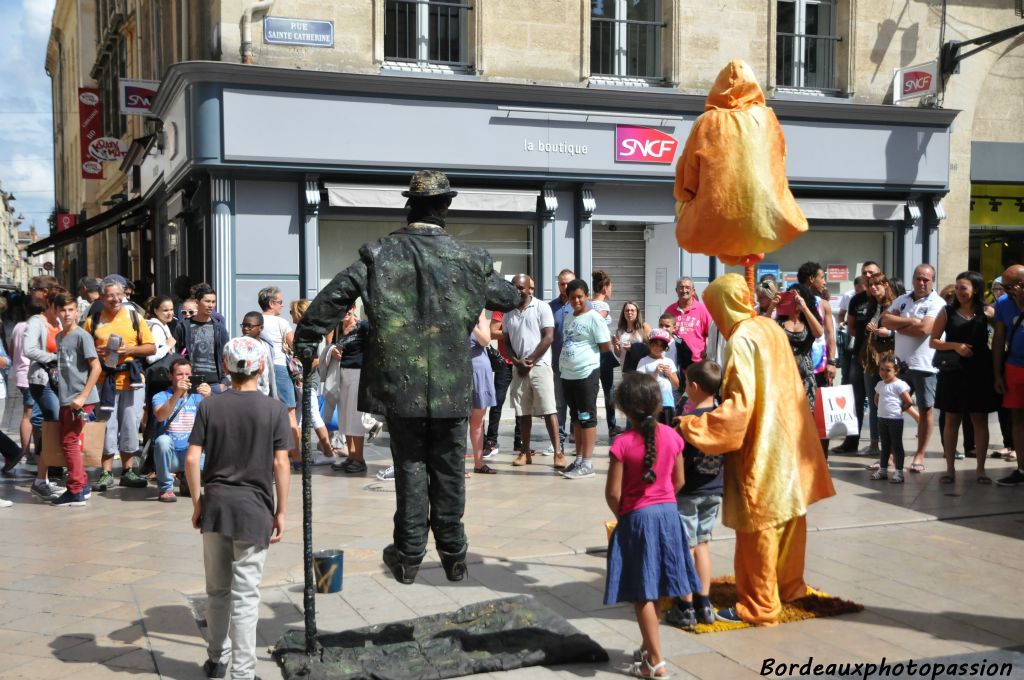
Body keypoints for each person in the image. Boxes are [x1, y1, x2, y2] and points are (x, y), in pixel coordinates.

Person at [294, 169, 518, 584]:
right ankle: (453, 554)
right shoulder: (467, 258)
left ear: (409, 205)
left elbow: (331, 299)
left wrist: (306, 342)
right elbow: (508, 296)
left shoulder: (380, 254)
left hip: (401, 387)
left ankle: (410, 552)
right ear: (445, 207)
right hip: (451, 385)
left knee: (411, 465)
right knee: (449, 467)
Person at [676, 273, 835, 625]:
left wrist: (694, 425)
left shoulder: (742, 339)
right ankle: (789, 586)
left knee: (758, 523)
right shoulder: (770, 327)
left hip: (763, 446)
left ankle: (760, 605)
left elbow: (740, 405)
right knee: (790, 515)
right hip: (792, 438)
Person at [185, 336, 291, 680]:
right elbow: (281, 465)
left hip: (216, 504)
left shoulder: (210, 405)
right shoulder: (274, 409)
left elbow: (191, 458)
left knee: (216, 590)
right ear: (261, 367)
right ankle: (243, 673)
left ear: (226, 368)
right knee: (246, 596)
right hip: (254, 508)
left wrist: (198, 500)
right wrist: (281, 511)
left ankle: (217, 659)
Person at [604, 372, 699, 678]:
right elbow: (680, 480)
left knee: (641, 590)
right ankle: (648, 651)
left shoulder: (622, 443)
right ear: (659, 405)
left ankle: (656, 660)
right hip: (669, 516)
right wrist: (664, 500)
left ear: (623, 408)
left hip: (637, 518)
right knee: (655, 585)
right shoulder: (673, 436)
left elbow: (613, 493)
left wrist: (626, 516)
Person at [84, 276, 156, 491]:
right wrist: (95, 352)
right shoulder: (93, 320)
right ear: (102, 298)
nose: (115, 299)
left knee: (130, 425)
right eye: (110, 296)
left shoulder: (136, 318)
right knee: (106, 425)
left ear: (124, 295)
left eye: (118, 295)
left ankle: (128, 470)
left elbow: (151, 348)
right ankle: (105, 472)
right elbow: (83, 349)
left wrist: (129, 350)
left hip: (132, 380)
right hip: (104, 380)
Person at [666, 360, 723, 630]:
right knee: (702, 544)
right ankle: (705, 604)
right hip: (714, 490)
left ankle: (685, 606)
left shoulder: (686, 423)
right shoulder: (723, 416)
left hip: (688, 491)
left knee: (685, 547)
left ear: (694, 387)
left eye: (687, 383)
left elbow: (673, 457)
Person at [929, 272, 997, 483]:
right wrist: (955, 346)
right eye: (957, 287)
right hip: (954, 371)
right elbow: (933, 341)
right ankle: (950, 469)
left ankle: (981, 469)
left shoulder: (987, 312)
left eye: (963, 288)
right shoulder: (947, 311)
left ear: (975, 290)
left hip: (980, 371)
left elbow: (1001, 334)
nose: (958, 292)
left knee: (979, 419)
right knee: (951, 419)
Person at [880, 264, 944, 473]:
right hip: (900, 365)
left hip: (925, 365)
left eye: (926, 279)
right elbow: (886, 321)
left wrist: (901, 323)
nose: (921, 282)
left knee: (925, 410)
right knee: (891, 406)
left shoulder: (937, 303)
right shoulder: (903, 300)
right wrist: (911, 321)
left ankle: (919, 455)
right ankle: (890, 455)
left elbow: (925, 329)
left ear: (933, 281)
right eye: (918, 278)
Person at [502, 274, 565, 468]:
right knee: (522, 413)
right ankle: (524, 452)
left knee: (549, 410)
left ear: (531, 289)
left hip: (540, 366)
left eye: (522, 287)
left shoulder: (542, 307)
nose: (518, 291)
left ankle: (558, 453)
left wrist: (530, 360)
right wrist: (516, 362)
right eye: (515, 287)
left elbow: (548, 337)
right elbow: (506, 342)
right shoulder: (508, 312)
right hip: (519, 368)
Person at [51, 290, 102, 507]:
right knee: (68, 441)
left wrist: (82, 396)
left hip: (81, 398)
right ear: (56, 311)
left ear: (77, 311)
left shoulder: (82, 336)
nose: (67, 314)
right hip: (66, 397)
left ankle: (75, 490)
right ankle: (81, 483)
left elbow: (96, 367)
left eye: (71, 309)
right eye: (62, 310)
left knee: (69, 441)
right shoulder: (59, 337)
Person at [559, 279, 612, 479]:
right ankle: (579, 459)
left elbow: (605, 346)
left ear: (587, 296)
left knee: (586, 417)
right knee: (576, 418)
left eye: (580, 297)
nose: (576, 301)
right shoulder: (569, 317)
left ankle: (588, 463)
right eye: (572, 298)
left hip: (586, 373)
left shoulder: (594, 318)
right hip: (568, 374)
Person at [323, 304, 383, 474]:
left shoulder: (363, 326)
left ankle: (359, 459)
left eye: (348, 308)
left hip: (359, 374)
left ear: (354, 307)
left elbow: (374, 347)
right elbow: (332, 347)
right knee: (345, 416)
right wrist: (333, 350)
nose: (344, 312)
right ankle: (351, 456)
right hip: (341, 373)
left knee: (356, 417)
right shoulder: (337, 327)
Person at [832, 261, 882, 453]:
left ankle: (876, 444)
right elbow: (851, 327)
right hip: (858, 356)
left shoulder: (885, 299)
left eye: (872, 272)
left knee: (875, 400)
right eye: (865, 273)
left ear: (880, 275)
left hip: (878, 359)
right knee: (854, 400)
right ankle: (851, 441)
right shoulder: (856, 299)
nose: (868, 276)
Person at [23, 283, 67, 500]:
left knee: (56, 424)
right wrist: (54, 358)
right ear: (50, 303)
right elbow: (28, 349)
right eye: (61, 306)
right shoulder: (36, 322)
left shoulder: (60, 322)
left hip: (62, 380)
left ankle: (46, 477)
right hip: (42, 380)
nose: (64, 311)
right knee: (54, 421)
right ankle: (42, 478)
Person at [152, 358, 211, 502]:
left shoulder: (198, 397)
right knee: (162, 441)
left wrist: (209, 398)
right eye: (180, 374)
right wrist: (177, 394)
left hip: (191, 453)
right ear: (171, 376)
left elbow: (216, 421)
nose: (184, 378)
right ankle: (166, 488)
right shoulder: (160, 396)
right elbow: (160, 416)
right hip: (170, 455)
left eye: (187, 374)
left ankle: (186, 479)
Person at [860, 273, 897, 464]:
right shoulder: (873, 305)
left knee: (888, 404)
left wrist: (890, 333)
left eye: (877, 284)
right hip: (871, 359)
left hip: (887, 359)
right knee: (874, 402)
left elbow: (907, 329)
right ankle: (875, 444)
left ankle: (889, 451)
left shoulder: (896, 304)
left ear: (886, 285)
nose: (874, 288)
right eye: (870, 285)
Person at [993, 264, 1024, 486]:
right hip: (1014, 366)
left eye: (1009, 286)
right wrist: (997, 373)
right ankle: (1021, 469)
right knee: (1017, 419)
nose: (1006, 290)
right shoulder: (1003, 304)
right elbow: (998, 339)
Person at [870, 354, 919, 483]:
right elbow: (876, 398)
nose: (884, 373)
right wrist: (880, 408)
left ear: (896, 370)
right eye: (882, 369)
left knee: (896, 445)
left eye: (888, 370)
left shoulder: (899, 385)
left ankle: (899, 472)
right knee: (885, 445)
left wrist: (899, 410)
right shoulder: (880, 384)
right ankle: (883, 470)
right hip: (882, 419)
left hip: (895, 420)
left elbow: (908, 401)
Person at [172, 284, 230, 393]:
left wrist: (224, 383)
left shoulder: (219, 328)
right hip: (190, 382)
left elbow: (226, 356)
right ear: (197, 302)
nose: (211, 305)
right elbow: (176, 354)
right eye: (207, 301)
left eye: (213, 302)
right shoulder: (184, 327)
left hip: (215, 383)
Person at [549, 268, 582, 453]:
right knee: (559, 403)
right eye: (562, 283)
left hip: (578, 364)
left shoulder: (583, 307)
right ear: (558, 285)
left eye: (569, 282)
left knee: (577, 403)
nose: (565, 286)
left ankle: (577, 440)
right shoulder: (550, 307)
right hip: (557, 364)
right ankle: (558, 442)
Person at [776, 284, 823, 410]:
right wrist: (772, 307)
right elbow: (765, 332)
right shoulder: (780, 322)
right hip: (783, 376)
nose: (794, 299)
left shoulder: (807, 320)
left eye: (796, 296)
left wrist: (804, 308)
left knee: (806, 417)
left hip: (805, 376)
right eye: (790, 296)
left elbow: (819, 333)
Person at [484, 309, 522, 458]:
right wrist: (513, 331)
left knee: (522, 402)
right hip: (505, 362)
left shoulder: (529, 308)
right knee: (497, 401)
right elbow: (492, 332)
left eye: (531, 288)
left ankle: (520, 442)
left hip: (522, 361)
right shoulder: (501, 309)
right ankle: (491, 441)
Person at [591, 270, 621, 438]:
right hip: (602, 352)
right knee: (609, 389)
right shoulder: (603, 307)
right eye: (610, 288)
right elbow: (597, 325)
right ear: (604, 288)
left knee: (593, 390)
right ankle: (612, 425)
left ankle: (590, 424)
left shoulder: (588, 304)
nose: (611, 291)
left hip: (593, 352)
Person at [468, 311, 497, 475]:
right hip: (457, 371)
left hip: (479, 371)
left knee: (477, 421)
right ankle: (455, 468)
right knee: (456, 423)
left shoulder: (478, 313)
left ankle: (479, 463)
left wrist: (469, 323)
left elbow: (485, 340)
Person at [635, 329, 679, 425]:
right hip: (651, 404)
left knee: (668, 430)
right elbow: (639, 384)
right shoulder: (643, 361)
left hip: (668, 403)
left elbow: (676, 385)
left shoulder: (669, 361)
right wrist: (654, 373)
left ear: (665, 347)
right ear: (649, 344)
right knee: (652, 432)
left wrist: (669, 375)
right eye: (655, 344)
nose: (658, 348)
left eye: (661, 346)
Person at [665, 277, 713, 362]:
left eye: (687, 287)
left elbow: (711, 334)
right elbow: (665, 333)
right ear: (676, 290)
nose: (684, 290)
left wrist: (708, 351)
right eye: (681, 287)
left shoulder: (703, 309)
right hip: (674, 360)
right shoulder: (669, 310)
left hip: (697, 361)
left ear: (693, 291)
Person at [239, 312, 277, 399]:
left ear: (261, 328)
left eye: (249, 326)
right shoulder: (238, 347)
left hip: (264, 395)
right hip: (245, 395)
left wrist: (274, 396)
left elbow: (271, 374)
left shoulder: (267, 347)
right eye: (243, 325)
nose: (245, 328)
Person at [613, 300, 651, 368]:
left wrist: (633, 348)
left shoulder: (644, 327)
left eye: (632, 310)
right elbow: (619, 354)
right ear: (623, 314)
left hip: (641, 367)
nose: (629, 312)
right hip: (626, 369)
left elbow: (651, 348)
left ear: (637, 312)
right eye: (627, 310)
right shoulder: (619, 331)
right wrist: (616, 347)